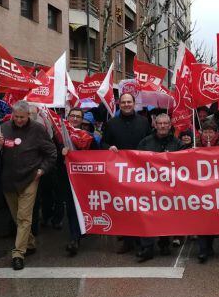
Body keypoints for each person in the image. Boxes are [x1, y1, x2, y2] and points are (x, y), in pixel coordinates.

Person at [0, 100, 57, 271]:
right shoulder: (4, 128)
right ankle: (29, 242)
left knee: (24, 217)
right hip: (9, 179)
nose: (19, 120)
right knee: (17, 217)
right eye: (16, 117)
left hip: (30, 178)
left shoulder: (37, 129)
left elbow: (51, 152)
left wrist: (41, 170)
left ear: (28, 115)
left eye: (22, 117)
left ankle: (18, 253)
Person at [102, 93, 152, 255]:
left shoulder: (144, 122)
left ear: (134, 103)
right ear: (119, 104)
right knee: (124, 206)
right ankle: (127, 240)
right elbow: (103, 142)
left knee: (141, 205)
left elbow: (150, 141)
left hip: (140, 171)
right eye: (123, 102)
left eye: (129, 102)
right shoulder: (111, 123)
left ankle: (142, 238)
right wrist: (108, 147)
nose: (126, 104)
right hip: (120, 173)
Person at [136, 113, 183, 262]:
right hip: (149, 187)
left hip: (170, 188)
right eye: (160, 123)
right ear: (155, 125)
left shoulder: (178, 144)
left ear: (170, 126)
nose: (162, 126)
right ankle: (147, 247)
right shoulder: (145, 142)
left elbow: (184, 165)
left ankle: (164, 243)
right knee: (147, 216)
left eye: (165, 123)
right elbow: (135, 161)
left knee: (166, 215)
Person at [60, 107, 96, 256]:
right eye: (72, 116)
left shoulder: (87, 136)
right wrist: (61, 153)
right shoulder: (59, 133)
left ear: (82, 120)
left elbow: (96, 154)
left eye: (78, 117)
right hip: (65, 176)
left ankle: (80, 232)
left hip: (84, 177)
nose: (75, 119)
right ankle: (75, 237)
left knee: (81, 205)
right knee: (71, 207)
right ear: (68, 117)